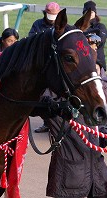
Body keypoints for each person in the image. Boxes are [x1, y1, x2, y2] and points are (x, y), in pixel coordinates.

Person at [30, 2, 61, 133]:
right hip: (42, 63)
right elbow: (32, 40)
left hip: (56, 63)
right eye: (49, 16)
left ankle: (59, 122)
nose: (51, 19)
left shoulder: (61, 25)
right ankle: (47, 122)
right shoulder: (37, 24)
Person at [82, 1, 107, 71]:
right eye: (87, 12)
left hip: (98, 61)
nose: (90, 14)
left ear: (95, 13)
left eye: (92, 12)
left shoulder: (100, 27)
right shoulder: (79, 28)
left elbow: (101, 40)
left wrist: (90, 40)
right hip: (82, 60)